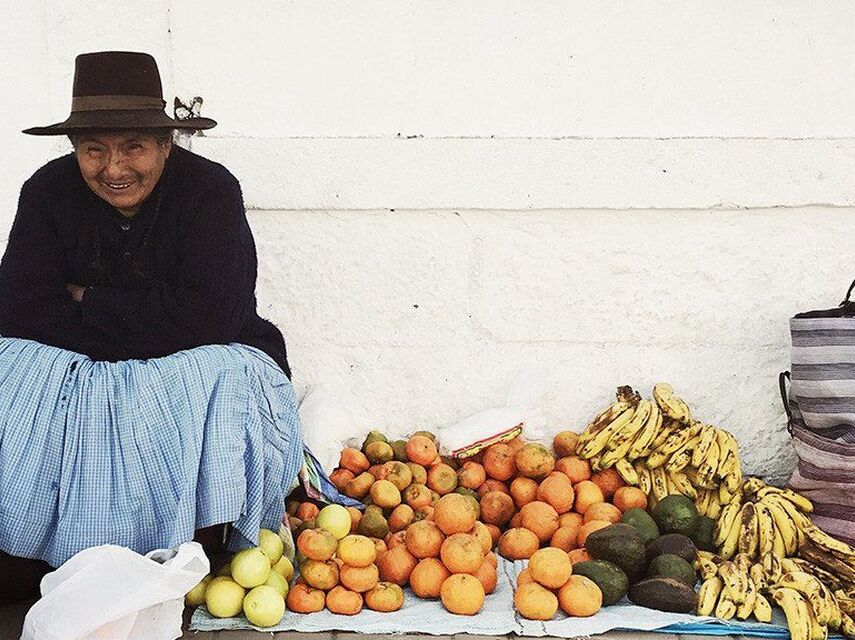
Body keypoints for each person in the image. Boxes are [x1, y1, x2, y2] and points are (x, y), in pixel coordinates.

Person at [0, 51, 303, 603]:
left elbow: (216, 314)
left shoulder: (210, 192)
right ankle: (38, 548)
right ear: (75, 150)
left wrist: (87, 299)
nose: (114, 169)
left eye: (133, 147)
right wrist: (151, 320)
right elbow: (19, 309)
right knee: (14, 365)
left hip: (184, 369)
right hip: (85, 370)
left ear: (167, 144)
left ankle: (198, 539)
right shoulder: (46, 192)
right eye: (94, 149)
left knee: (222, 368)